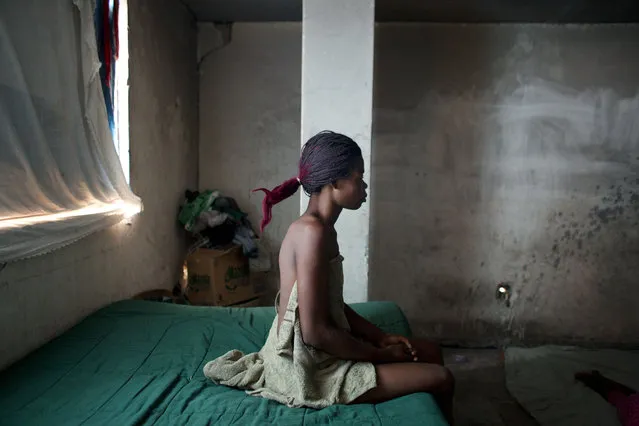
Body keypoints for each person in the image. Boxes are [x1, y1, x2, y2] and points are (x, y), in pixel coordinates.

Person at [204, 131, 454, 424]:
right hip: (306, 366)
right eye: (358, 178)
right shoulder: (312, 233)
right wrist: (381, 355)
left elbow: (330, 302)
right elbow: (314, 333)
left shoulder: (322, 229)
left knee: (431, 351)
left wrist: (381, 337)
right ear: (335, 182)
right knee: (442, 378)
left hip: (318, 350)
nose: (364, 185)